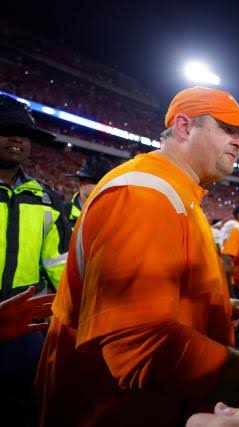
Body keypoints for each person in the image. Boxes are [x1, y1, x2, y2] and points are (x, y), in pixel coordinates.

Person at [35, 87, 239, 427]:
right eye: (228, 129)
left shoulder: (178, 190)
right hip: (108, 410)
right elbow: (143, 345)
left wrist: (208, 307)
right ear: (183, 126)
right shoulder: (144, 194)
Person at [0, 94, 71, 425]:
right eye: (8, 130)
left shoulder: (46, 199)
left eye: (24, 134)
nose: (18, 139)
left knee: (24, 406)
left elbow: (59, 265)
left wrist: (75, 315)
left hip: (25, 325)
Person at [64, 154, 115, 227]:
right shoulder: (63, 213)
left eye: (106, 183)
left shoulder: (113, 217)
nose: (101, 186)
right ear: (81, 183)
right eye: (96, 181)